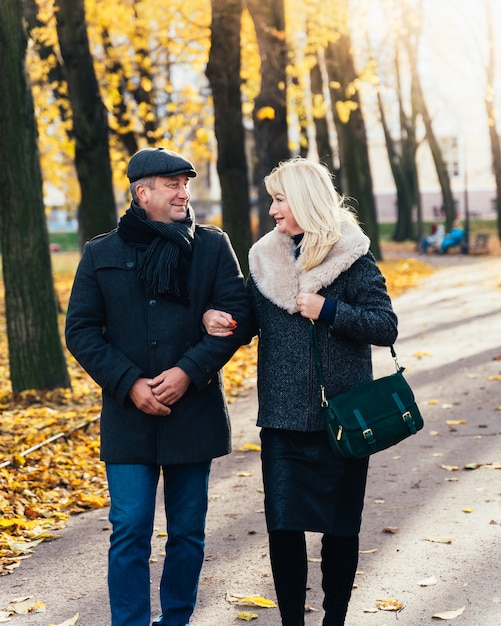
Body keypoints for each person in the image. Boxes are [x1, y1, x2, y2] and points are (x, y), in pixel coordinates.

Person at [203, 157, 398, 626]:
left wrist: (329, 309)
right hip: (283, 418)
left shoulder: (352, 256)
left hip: (345, 420)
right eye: (272, 199)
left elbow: (385, 326)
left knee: (340, 528)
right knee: (283, 526)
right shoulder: (264, 258)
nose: (271, 209)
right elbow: (248, 321)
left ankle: (335, 619)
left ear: (305, 200)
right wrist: (217, 320)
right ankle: (292, 620)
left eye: (279, 199)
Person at [65, 147, 250, 626]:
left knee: (188, 531)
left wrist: (189, 370)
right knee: (129, 528)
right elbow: (81, 330)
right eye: (172, 185)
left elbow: (240, 315)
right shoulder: (100, 252)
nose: (183, 192)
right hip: (128, 416)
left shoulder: (212, 246)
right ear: (141, 192)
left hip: (194, 411)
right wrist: (128, 383)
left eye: (185, 183)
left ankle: (176, 621)